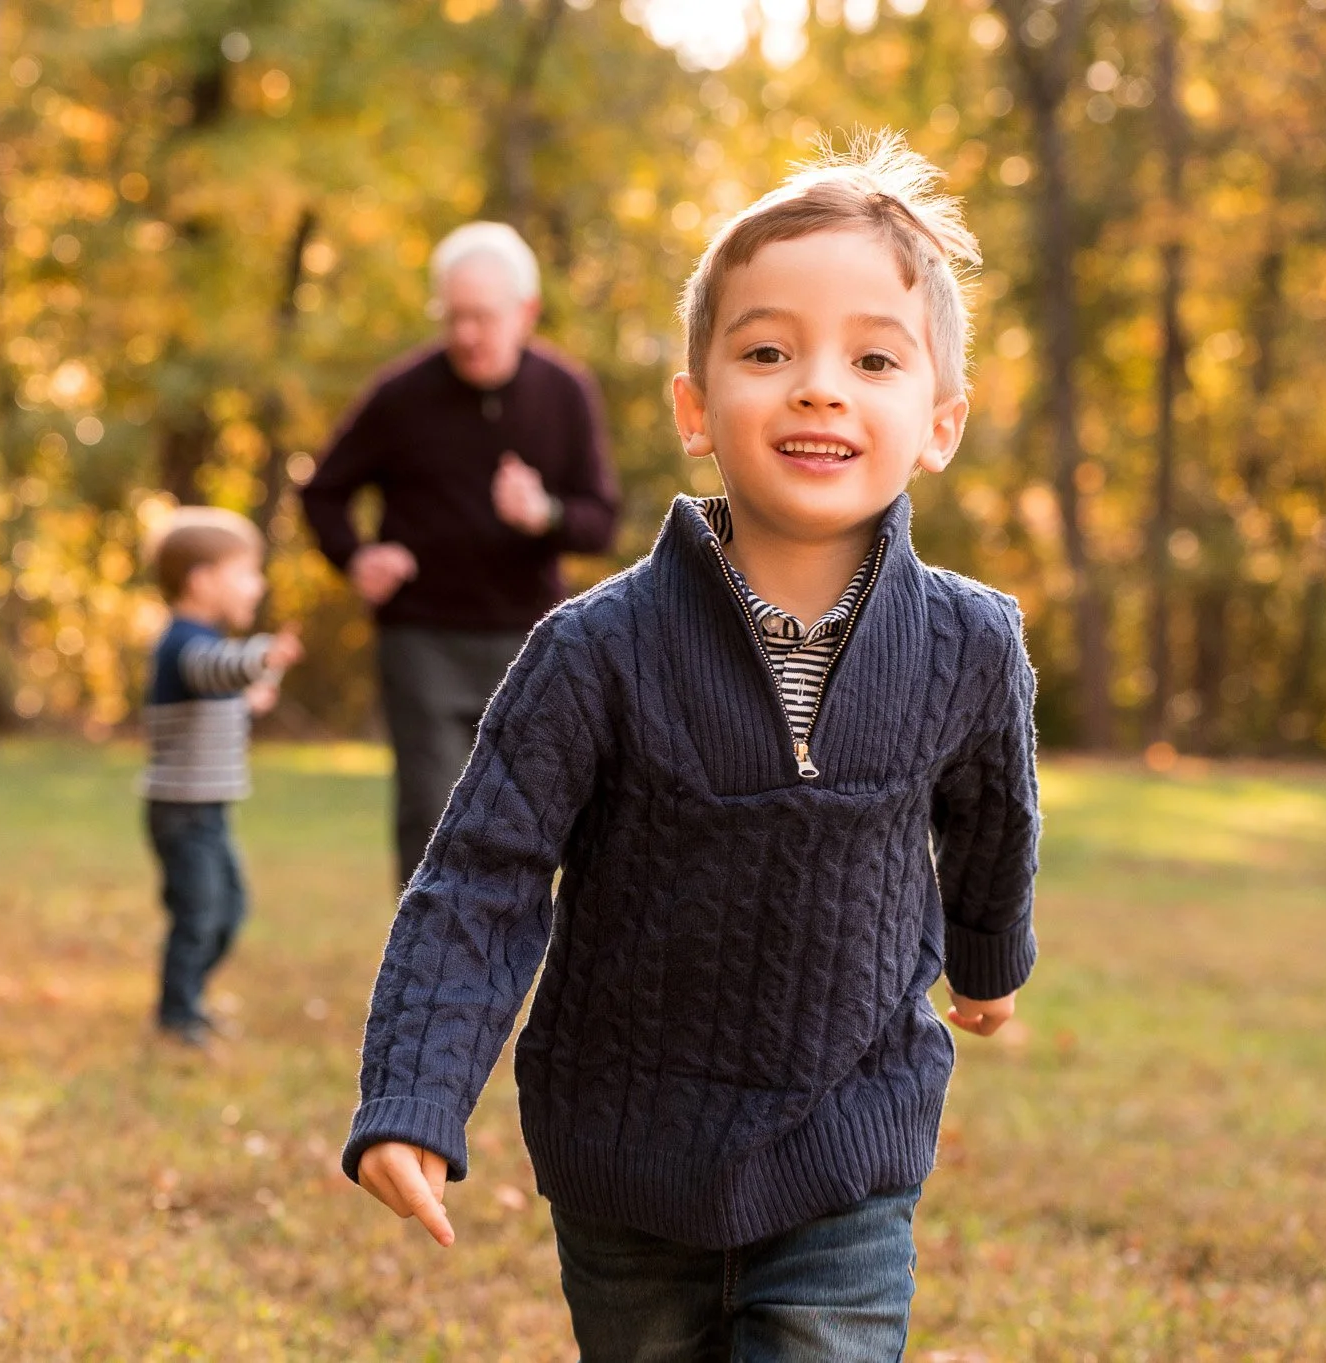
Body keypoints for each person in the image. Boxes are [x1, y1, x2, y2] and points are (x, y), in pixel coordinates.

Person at [342, 134, 1040, 1361]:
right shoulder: (593, 648)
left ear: (936, 421)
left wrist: (985, 958)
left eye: (871, 357)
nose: (818, 386)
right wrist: (413, 1094)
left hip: (843, 1146)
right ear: (693, 407)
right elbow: (482, 873)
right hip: (625, 1158)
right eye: (767, 352)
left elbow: (988, 815)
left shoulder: (969, 643)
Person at [301, 221, 619, 886]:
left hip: (530, 638)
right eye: (453, 316)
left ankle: (507, 970)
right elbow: (323, 491)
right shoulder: (401, 395)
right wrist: (355, 557)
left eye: (482, 316)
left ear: (525, 312)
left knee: (526, 818)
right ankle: (425, 985)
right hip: (422, 640)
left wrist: (545, 514)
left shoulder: (565, 391)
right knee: (431, 817)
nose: (467, 333)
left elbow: (599, 521)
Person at [140, 507, 304, 1049]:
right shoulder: (184, 642)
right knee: (199, 911)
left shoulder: (201, 645)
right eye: (246, 573)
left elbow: (214, 690)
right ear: (202, 579)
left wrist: (247, 699)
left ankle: (187, 998)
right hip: (181, 811)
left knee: (228, 909)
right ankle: (176, 1014)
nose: (257, 585)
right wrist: (261, 656)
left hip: (207, 808)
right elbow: (213, 669)